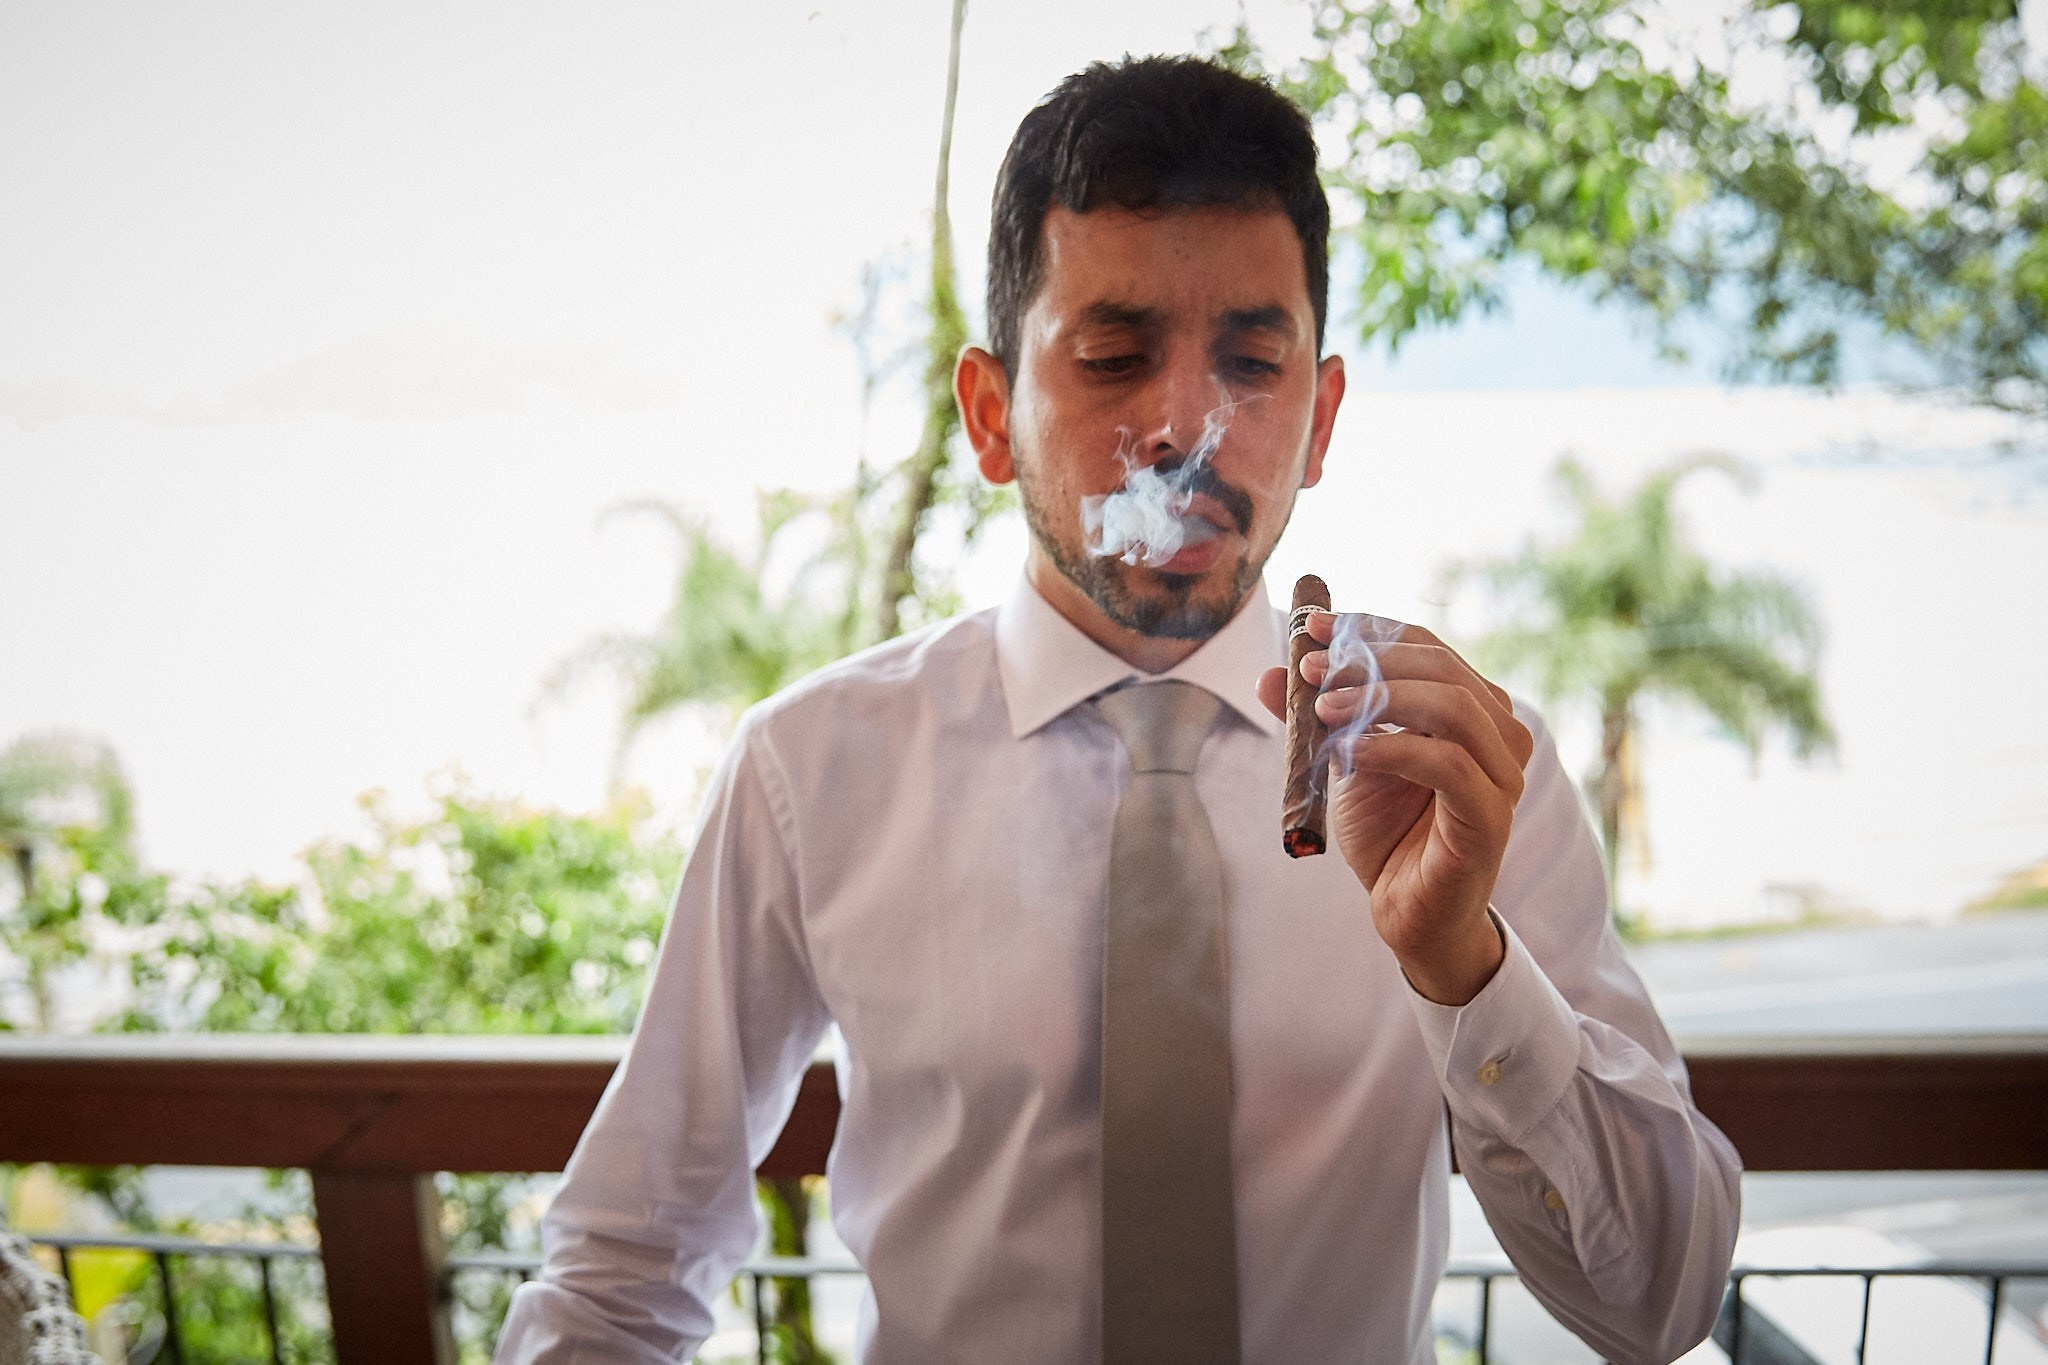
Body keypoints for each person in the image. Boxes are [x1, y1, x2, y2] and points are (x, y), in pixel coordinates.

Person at [493, 55, 1740, 1365]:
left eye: (1253, 361)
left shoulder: (1465, 771)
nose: (1183, 426)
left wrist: (1466, 965)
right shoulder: (811, 771)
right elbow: (624, 1270)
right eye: (1111, 356)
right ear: (991, 416)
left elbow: (1658, 1307)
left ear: (1319, 421)